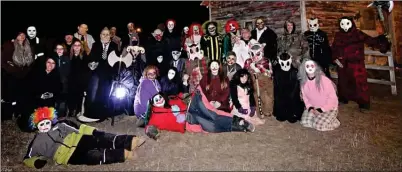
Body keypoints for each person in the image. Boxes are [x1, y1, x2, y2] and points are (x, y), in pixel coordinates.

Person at [23, 107, 146, 169]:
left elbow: (78, 127)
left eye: (47, 123)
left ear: (51, 121)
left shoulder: (61, 125)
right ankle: (124, 154)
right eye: (41, 124)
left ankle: (130, 141)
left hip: (77, 140)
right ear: (36, 126)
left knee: (101, 138)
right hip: (67, 156)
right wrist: (36, 162)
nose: (45, 126)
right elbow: (28, 158)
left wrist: (93, 131)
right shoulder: (37, 141)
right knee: (94, 156)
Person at [299, 59, 340, 131]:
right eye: (307, 66)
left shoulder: (324, 80)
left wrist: (321, 110)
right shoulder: (303, 82)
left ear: (316, 67)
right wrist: (310, 107)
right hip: (314, 107)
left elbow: (333, 99)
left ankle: (335, 122)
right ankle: (319, 118)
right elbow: (305, 98)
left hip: (328, 108)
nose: (310, 68)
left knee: (319, 126)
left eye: (312, 66)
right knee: (305, 123)